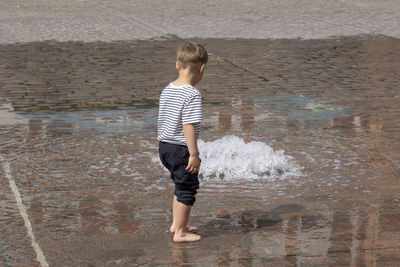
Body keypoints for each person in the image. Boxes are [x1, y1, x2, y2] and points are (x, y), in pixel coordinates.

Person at [157, 42, 208, 242]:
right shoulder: (192, 94)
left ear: (177, 65)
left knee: (180, 185)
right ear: (201, 68)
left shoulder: (168, 88)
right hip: (180, 149)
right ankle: (180, 233)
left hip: (165, 146)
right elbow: (188, 126)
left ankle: (178, 224)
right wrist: (194, 154)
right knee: (187, 188)